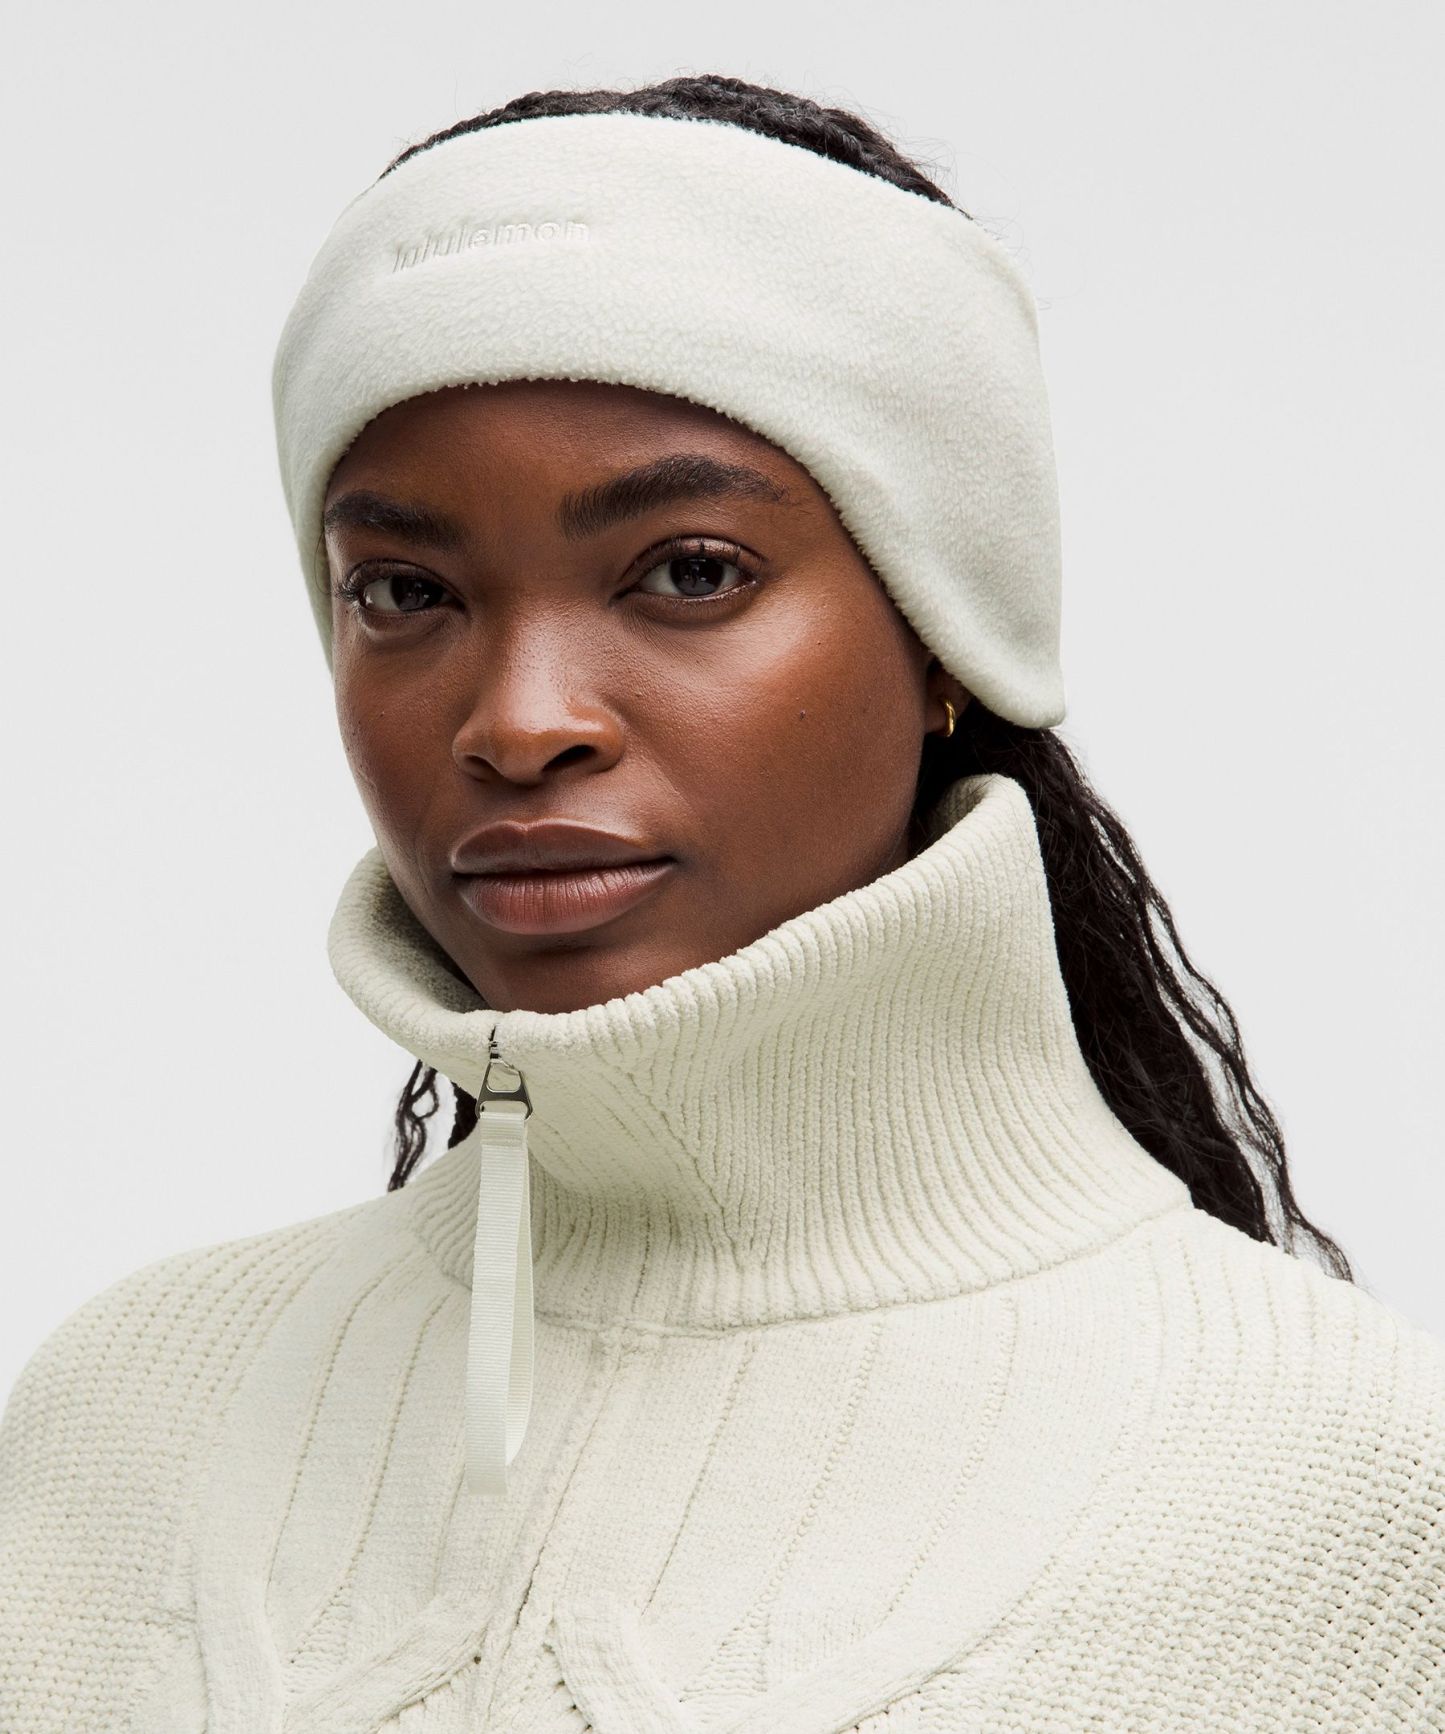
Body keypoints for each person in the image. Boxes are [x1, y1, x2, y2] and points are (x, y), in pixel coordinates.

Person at [2, 73, 1442, 1734]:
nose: (519, 719)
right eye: (404, 590)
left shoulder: (1343, 1495)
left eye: (689, 571)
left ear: (946, 631)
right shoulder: (122, 1421)